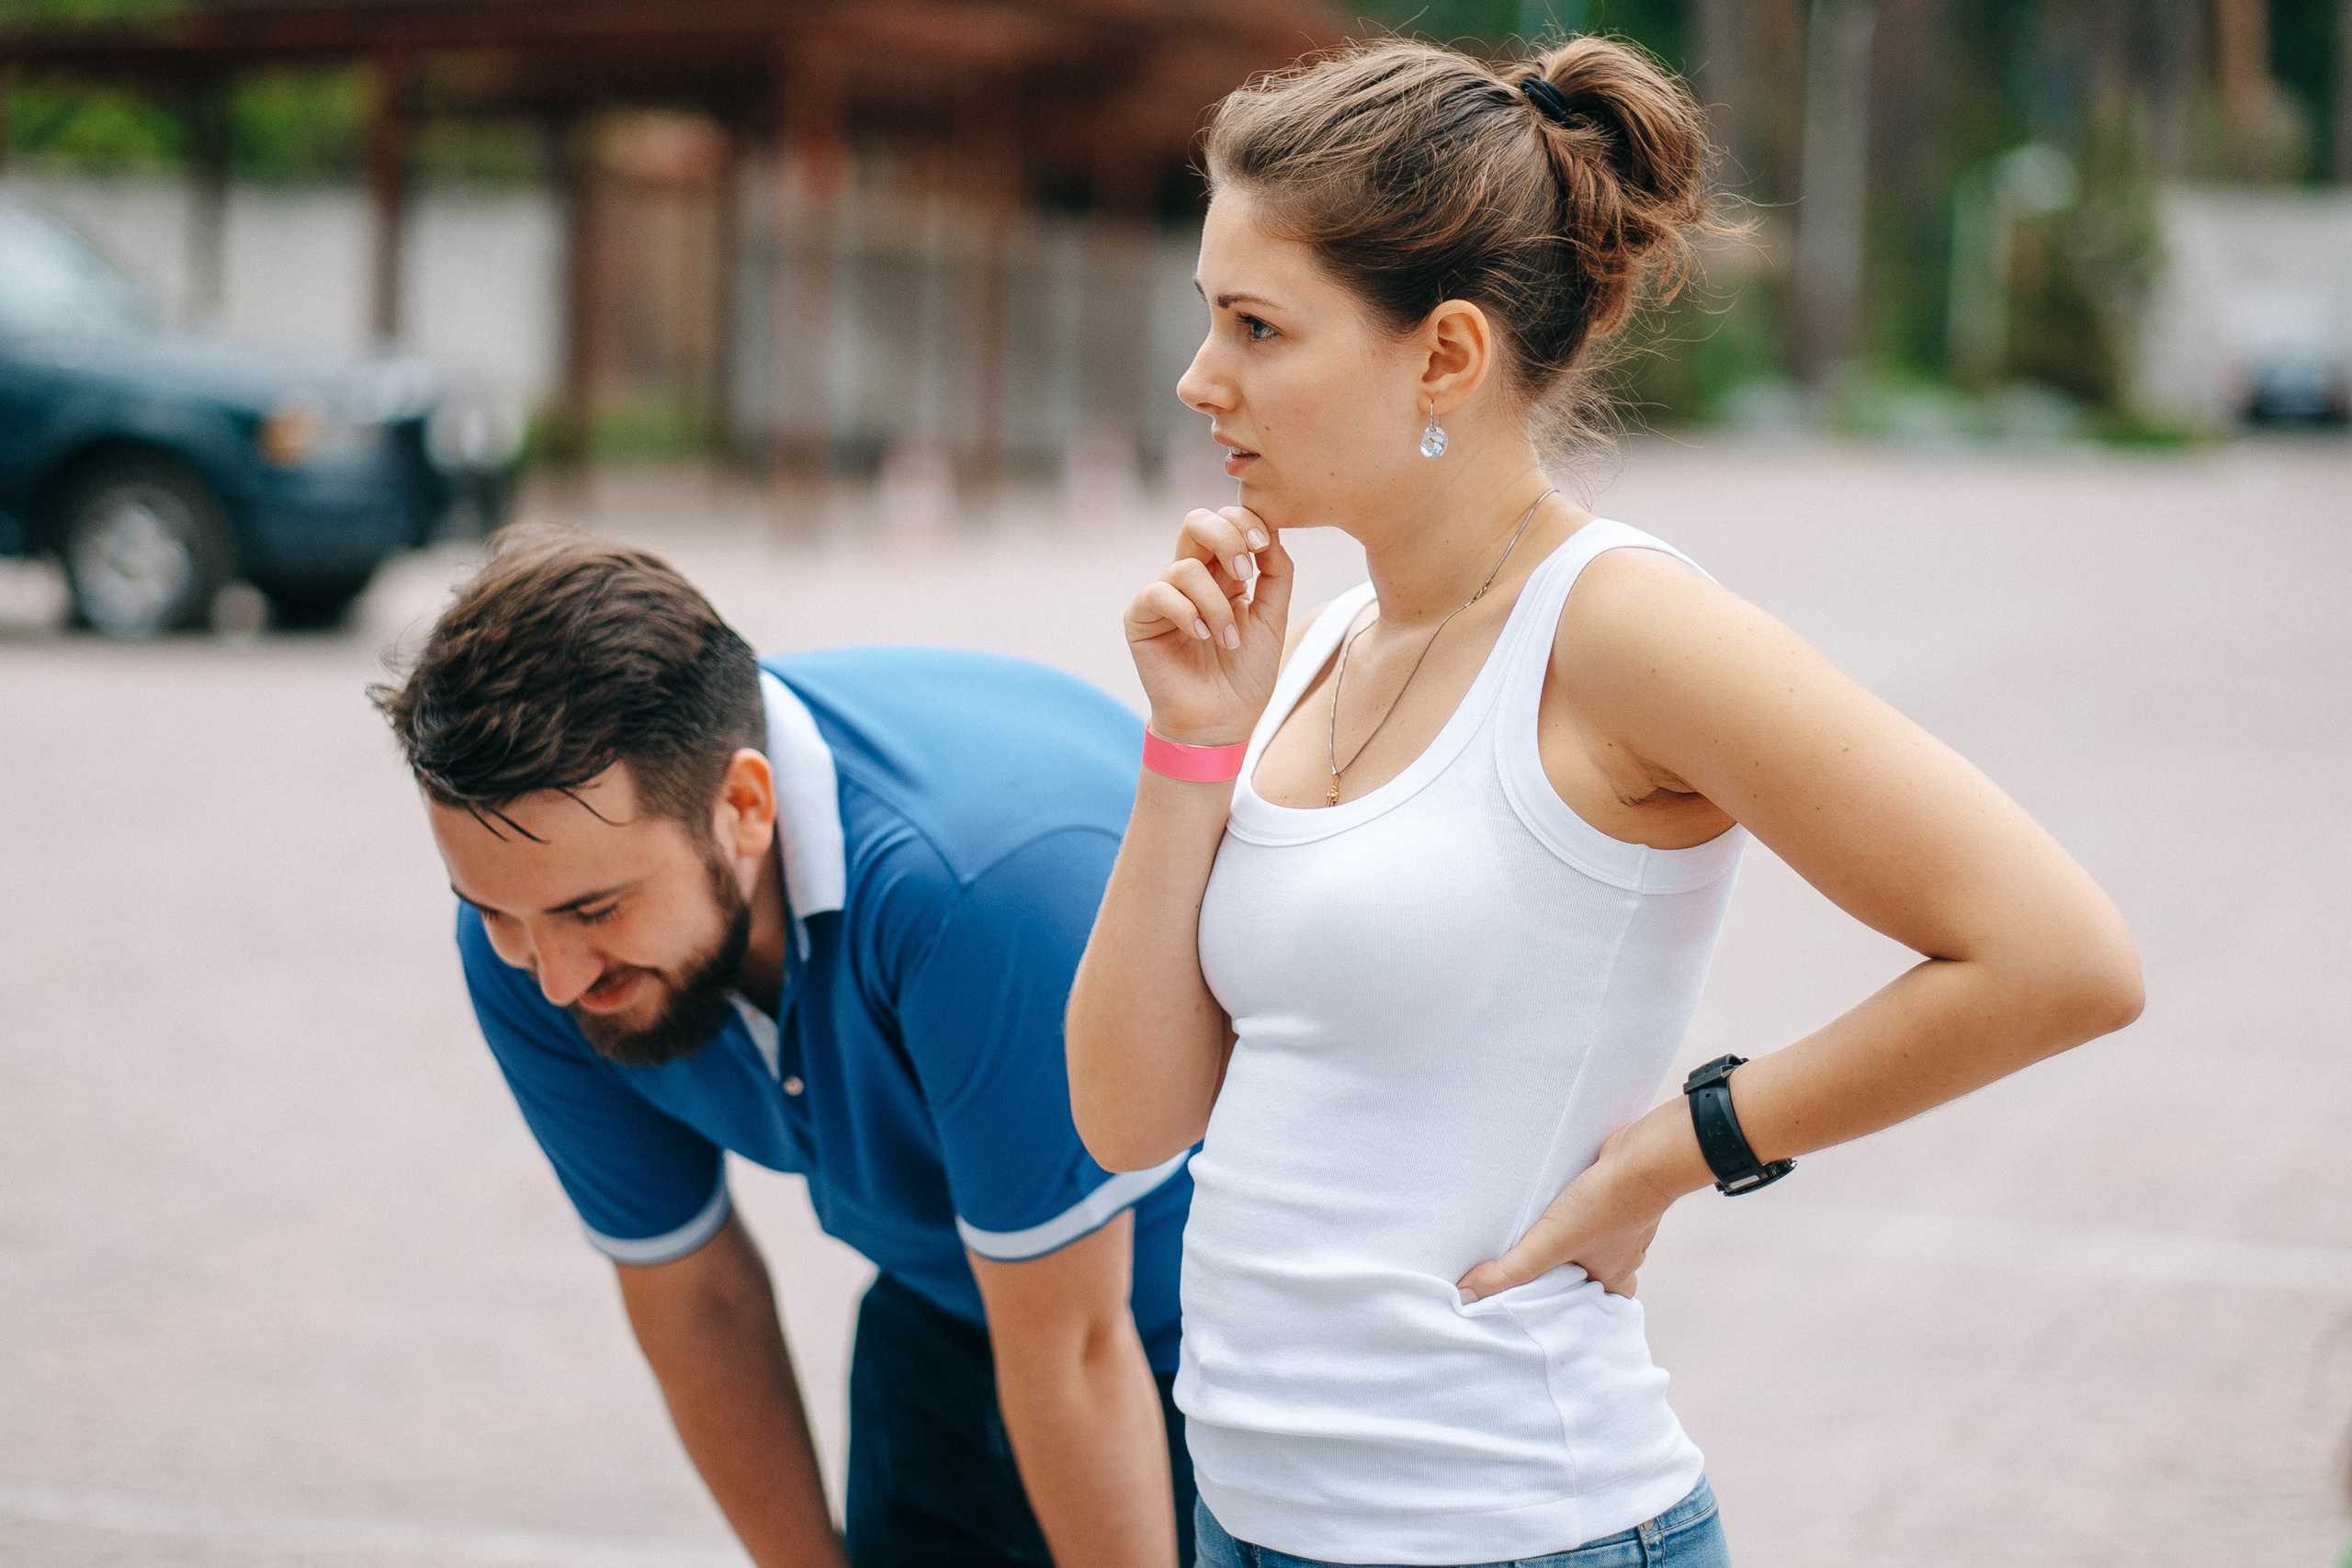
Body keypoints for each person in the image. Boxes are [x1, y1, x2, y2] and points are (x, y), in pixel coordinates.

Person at [1066, 34, 2145, 1568]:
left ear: (1443, 355)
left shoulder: (1620, 627)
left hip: (1515, 1528)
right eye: (1208, 317)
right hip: (1250, 1518)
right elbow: (1126, 1118)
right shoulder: (1315, 645)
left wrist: (1685, 1145)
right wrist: (1189, 745)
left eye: (1256, 325)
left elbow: (2059, 956)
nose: (1200, 378)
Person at [372, 525, 1196, 1568]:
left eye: (598, 910)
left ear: (745, 808)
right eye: (493, 912)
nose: (556, 979)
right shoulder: (530, 936)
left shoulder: (976, 895)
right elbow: (695, 1299)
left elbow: (1077, 1350)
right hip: (950, 1308)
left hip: (1221, 1337)